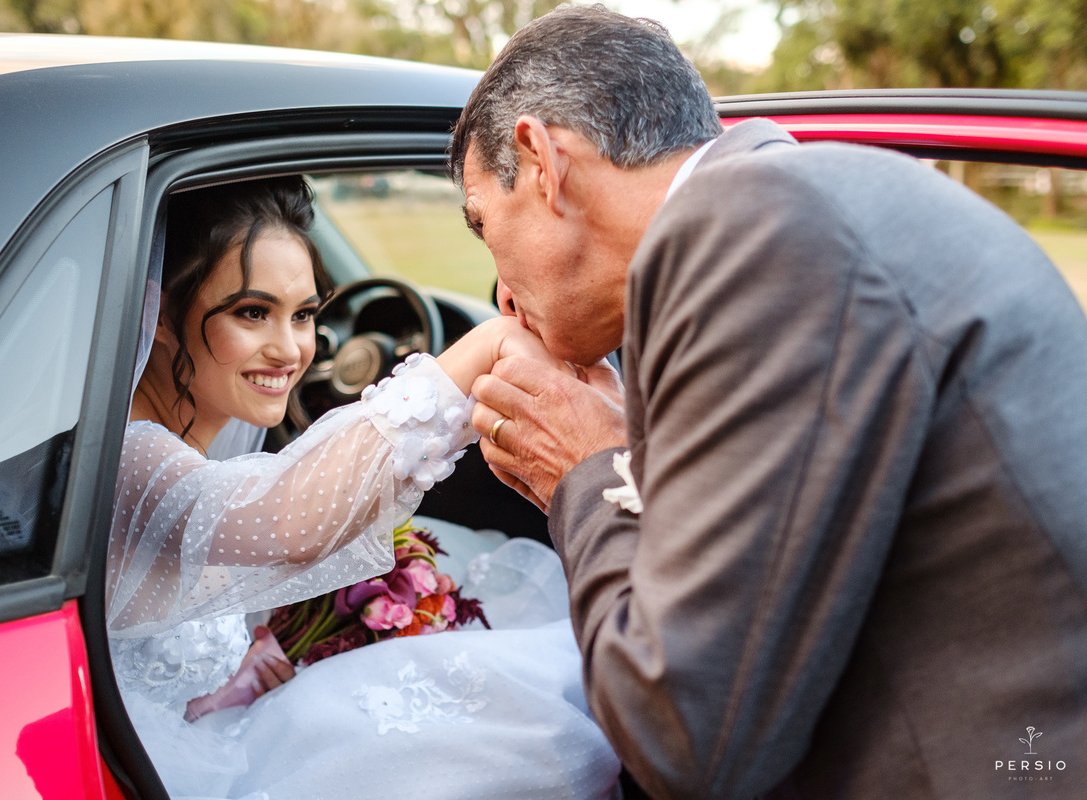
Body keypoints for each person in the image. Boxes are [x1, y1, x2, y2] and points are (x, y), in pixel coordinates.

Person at [452, 5, 1087, 799]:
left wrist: (585, 472)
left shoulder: (750, 232)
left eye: (484, 225)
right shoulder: (781, 202)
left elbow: (687, 735)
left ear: (542, 161)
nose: (503, 296)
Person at [106, 175, 620, 798]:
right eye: (252, 313)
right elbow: (285, 518)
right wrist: (487, 346)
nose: (290, 349)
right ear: (159, 316)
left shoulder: (178, 444)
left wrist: (230, 676)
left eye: (302, 315)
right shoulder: (131, 459)